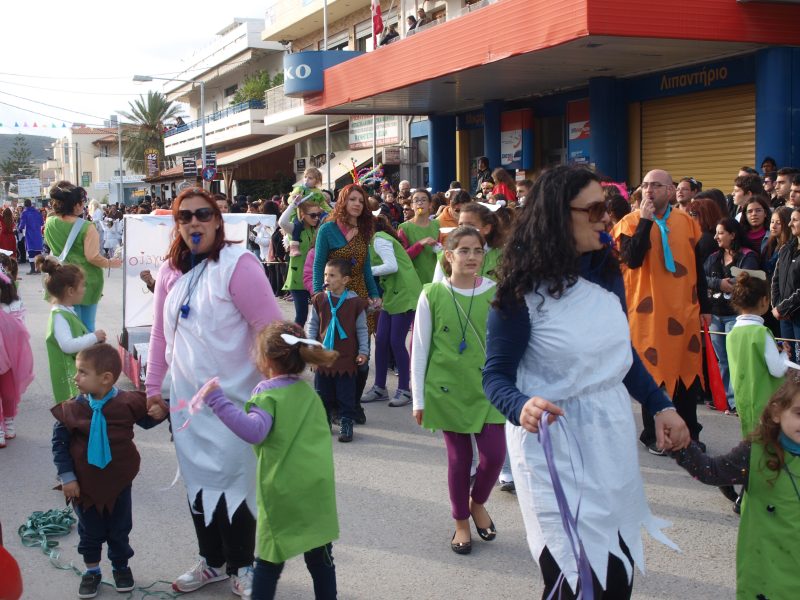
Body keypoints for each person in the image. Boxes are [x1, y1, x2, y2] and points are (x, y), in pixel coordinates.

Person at [483, 166, 689, 599]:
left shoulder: (607, 274)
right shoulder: (520, 293)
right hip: (552, 446)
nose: (606, 216)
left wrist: (661, 405)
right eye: (594, 209)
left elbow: (619, 356)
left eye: (606, 206)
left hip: (609, 439)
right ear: (558, 216)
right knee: (575, 579)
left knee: (617, 574)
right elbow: (495, 376)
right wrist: (520, 405)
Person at [145, 187, 282, 596]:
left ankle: (244, 564)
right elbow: (159, 335)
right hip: (187, 405)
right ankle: (212, 561)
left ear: (218, 220)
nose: (194, 222)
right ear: (177, 224)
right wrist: (153, 388)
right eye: (185, 216)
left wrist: (278, 389)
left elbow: (270, 330)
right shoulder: (170, 271)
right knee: (198, 481)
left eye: (203, 214)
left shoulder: (238, 265)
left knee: (237, 483)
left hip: (237, 399)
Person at [198, 322, 339, 600]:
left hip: (283, 492)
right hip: (317, 490)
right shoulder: (309, 394)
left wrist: (217, 401)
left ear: (267, 360)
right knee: (320, 557)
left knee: (269, 561)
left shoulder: (268, 395)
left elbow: (254, 431)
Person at [412, 226, 505, 555]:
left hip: (488, 388)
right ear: (449, 256)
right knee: (459, 460)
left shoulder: (497, 292)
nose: (472, 257)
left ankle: (476, 502)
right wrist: (419, 398)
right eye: (464, 250)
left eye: (478, 250)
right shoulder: (432, 294)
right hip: (446, 389)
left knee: (494, 456)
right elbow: (420, 349)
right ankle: (461, 522)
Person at [51, 344, 165, 598]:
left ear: (105, 378)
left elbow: (148, 419)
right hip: (84, 485)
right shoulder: (71, 409)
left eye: (82, 372)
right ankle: (91, 571)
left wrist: (160, 411)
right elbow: (59, 444)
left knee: (119, 529)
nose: (76, 377)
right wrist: (67, 477)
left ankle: (121, 567)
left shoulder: (128, 402)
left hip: (118, 482)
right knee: (89, 532)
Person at [672, 378, 800, 600]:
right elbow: (712, 471)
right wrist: (681, 446)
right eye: (799, 413)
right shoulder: (756, 453)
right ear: (777, 412)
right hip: (768, 574)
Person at [612, 169, 710, 455]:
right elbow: (632, 259)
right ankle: (654, 435)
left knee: (685, 374)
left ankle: (689, 433)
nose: (649, 190)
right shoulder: (629, 222)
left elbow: (698, 268)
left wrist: (705, 306)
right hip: (647, 313)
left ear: (670, 191)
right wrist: (645, 220)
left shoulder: (687, 222)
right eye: (645, 185)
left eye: (656, 185)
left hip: (683, 309)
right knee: (652, 374)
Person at [313, 184, 382, 422]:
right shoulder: (328, 229)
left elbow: (366, 268)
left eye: (361, 201)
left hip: (359, 299)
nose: (357, 204)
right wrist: (318, 294)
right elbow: (319, 264)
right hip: (333, 299)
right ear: (343, 201)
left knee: (362, 357)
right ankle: (334, 407)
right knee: (335, 355)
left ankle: (352, 404)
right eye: (352, 199)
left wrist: (374, 294)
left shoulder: (364, 230)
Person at [45, 182, 122, 331]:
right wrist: (111, 263)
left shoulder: (49, 222)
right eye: (82, 202)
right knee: (86, 326)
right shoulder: (87, 227)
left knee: (68, 325)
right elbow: (92, 257)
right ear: (76, 205)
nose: (83, 205)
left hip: (61, 277)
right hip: (85, 280)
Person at [362, 216, 422, 408]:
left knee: (396, 342)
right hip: (393, 294)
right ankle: (380, 387)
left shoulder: (379, 238)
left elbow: (391, 266)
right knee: (381, 340)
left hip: (405, 294)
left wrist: (365, 271)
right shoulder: (376, 239)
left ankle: (404, 389)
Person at [308, 258, 369, 442]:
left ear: (345, 280)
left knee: (345, 395)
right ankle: (324, 421)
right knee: (322, 393)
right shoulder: (320, 299)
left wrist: (363, 352)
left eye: (332, 275)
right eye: (325, 274)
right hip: (323, 357)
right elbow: (312, 326)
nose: (327, 278)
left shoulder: (355, 303)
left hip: (346, 358)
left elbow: (362, 329)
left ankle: (346, 423)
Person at [703, 218, 760, 413]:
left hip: (736, 315)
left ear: (733, 235)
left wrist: (732, 282)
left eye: (720, 233)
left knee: (735, 359)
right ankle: (724, 400)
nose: (716, 237)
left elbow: (749, 278)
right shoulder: (713, 257)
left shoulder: (747, 256)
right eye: (716, 233)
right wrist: (718, 283)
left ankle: (738, 401)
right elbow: (701, 277)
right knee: (723, 360)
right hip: (715, 315)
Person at [37, 256, 106, 404]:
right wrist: (93, 337)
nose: (84, 289)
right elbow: (67, 346)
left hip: (74, 375)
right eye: (82, 286)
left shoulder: (66, 312)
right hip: (69, 379)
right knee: (72, 411)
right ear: (70, 291)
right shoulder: (59, 316)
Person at [727, 272, 788, 437]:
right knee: (766, 442)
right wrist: (785, 355)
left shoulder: (732, 333)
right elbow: (777, 370)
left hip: (743, 398)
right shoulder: (761, 332)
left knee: (750, 438)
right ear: (764, 300)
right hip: (765, 400)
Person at [0, 263, 33, 448]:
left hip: (9, 358)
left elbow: (20, 329)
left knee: (8, 393)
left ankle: (9, 420)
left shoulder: (13, 305)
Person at [278, 197, 323, 326]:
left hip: (315, 277)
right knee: (302, 315)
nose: (316, 218)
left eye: (318, 215)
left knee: (321, 315)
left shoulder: (318, 230)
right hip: (298, 279)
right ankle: (295, 338)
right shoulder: (295, 229)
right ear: (302, 215)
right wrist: (293, 204)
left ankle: (316, 338)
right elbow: (282, 222)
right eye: (313, 215)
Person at [771, 207, 800, 362]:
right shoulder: (785, 249)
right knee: (789, 362)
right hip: (784, 317)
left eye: (795, 220)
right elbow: (775, 280)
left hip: (796, 315)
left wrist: (783, 308)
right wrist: (776, 306)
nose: (789, 224)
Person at [398, 189, 441, 285]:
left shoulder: (436, 224)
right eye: (416, 200)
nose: (420, 203)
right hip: (414, 279)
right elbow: (402, 257)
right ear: (412, 206)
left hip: (435, 276)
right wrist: (421, 243)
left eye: (424, 200)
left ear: (430, 205)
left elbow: (440, 248)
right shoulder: (404, 228)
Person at [288, 167, 331, 257]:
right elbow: (289, 200)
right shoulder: (299, 189)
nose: (306, 179)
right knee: (297, 224)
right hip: (300, 214)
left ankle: (319, 244)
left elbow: (323, 204)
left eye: (310, 178)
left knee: (322, 225)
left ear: (317, 181)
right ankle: (294, 246)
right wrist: (294, 199)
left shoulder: (318, 192)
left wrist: (332, 212)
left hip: (313, 215)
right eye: (305, 177)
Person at [739, 195, 771, 259]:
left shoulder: (772, 236)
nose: (754, 214)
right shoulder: (739, 236)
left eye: (758, 210)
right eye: (750, 211)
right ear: (745, 215)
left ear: (765, 213)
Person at [18, 199, 44, 274]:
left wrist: (19, 229)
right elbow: (42, 223)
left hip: (29, 234)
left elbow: (22, 225)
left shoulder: (24, 213)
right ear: (31, 204)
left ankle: (32, 269)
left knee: (31, 252)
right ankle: (38, 269)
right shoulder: (38, 212)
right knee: (38, 252)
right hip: (38, 234)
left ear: (24, 205)